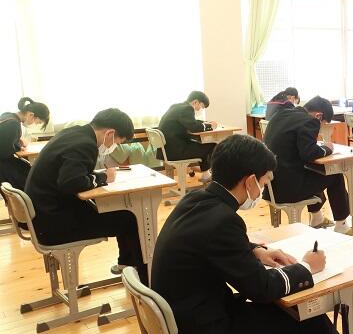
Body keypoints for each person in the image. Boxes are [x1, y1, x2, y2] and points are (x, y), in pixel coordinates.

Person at [151, 134, 353, 334]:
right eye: (264, 181)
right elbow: (261, 289)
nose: (263, 189)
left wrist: (255, 251)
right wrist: (306, 267)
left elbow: (213, 244)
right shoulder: (223, 221)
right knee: (305, 322)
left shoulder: (195, 200)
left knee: (300, 320)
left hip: (182, 332)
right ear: (250, 181)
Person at [24, 109, 148, 283]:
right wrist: (103, 178)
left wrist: (98, 177)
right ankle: (144, 278)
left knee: (122, 214)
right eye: (117, 142)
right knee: (131, 218)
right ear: (110, 133)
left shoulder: (73, 133)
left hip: (42, 214)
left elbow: (74, 175)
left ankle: (126, 264)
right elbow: (71, 182)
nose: (115, 146)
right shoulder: (85, 144)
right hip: (53, 224)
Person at [263, 96, 351, 233]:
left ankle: (317, 218)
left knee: (315, 171)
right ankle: (342, 225)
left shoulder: (280, 114)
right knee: (335, 175)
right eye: (322, 124)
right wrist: (327, 148)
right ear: (318, 116)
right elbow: (309, 153)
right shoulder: (309, 121)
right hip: (288, 190)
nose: (320, 128)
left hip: (271, 186)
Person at [157, 91, 217, 183]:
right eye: (201, 106)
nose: (200, 109)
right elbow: (194, 127)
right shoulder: (187, 109)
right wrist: (210, 126)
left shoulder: (176, 106)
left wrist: (205, 123)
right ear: (195, 102)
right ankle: (207, 173)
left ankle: (204, 172)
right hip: (176, 151)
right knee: (212, 146)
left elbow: (191, 122)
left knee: (202, 145)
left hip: (166, 150)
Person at [0, 97, 50, 190]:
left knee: (27, 168)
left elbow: (4, 138)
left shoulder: (7, 116)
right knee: (31, 175)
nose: (34, 124)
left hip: (4, 162)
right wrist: (18, 146)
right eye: (37, 122)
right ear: (31, 115)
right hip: (3, 164)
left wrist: (17, 142)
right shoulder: (13, 124)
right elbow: (4, 151)